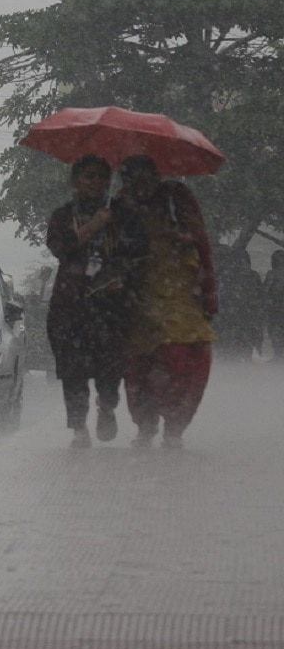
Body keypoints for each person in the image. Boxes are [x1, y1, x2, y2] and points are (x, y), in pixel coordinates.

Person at [45, 154, 148, 448]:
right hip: (71, 305)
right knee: (72, 369)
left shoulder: (122, 213)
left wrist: (121, 270)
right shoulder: (63, 215)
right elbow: (60, 248)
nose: (96, 183)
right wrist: (93, 226)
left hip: (112, 305)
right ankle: (78, 427)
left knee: (111, 366)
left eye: (102, 177)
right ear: (75, 182)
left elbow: (140, 248)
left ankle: (107, 405)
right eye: (89, 177)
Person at [118, 155, 218, 448]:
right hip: (140, 299)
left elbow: (202, 244)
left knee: (183, 362)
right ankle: (145, 426)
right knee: (139, 368)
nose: (139, 187)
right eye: (131, 181)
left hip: (182, 298)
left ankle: (175, 426)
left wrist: (210, 296)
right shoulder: (121, 204)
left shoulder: (177, 198)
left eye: (144, 180)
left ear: (156, 177)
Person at [211, 244, 263, 362]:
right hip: (240, 323)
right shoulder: (250, 277)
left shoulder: (222, 277)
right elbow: (259, 302)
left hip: (234, 323)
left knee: (229, 355)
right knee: (237, 355)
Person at [263, 249, 284, 361]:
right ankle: (278, 355)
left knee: (276, 332)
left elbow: (265, 291)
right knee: (276, 332)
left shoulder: (272, 273)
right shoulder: (272, 273)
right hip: (276, 306)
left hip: (276, 307)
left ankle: (278, 355)